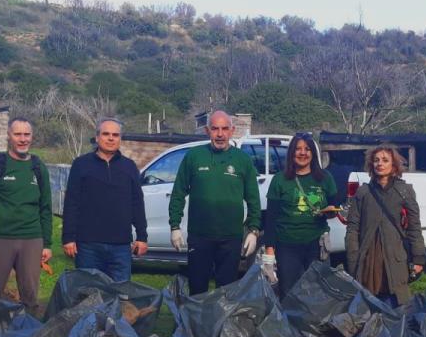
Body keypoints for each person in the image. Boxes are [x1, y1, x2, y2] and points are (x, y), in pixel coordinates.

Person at [168, 110, 261, 294]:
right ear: (207, 131)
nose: (220, 134)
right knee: (197, 289)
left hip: (230, 238)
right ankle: (196, 323)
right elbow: (178, 192)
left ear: (232, 130)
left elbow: (253, 199)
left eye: (225, 129)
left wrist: (253, 230)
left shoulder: (242, 160)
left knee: (226, 291)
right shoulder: (194, 156)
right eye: (215, 129)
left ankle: (221, 324)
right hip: (199, 237)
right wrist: (175, 226)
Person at [0, 117, 52, 318]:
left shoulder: (38, 167)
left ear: (32, 137)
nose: (22, 139)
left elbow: (46, 207)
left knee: (30, 296)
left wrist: (47, 244)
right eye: (17, 134)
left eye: (26, 134)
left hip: (31, 238)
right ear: (9, 136)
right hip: (0, 238)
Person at [61, 116, 148, 281]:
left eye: (115, 135)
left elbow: (137, 203)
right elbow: (72, 202)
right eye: (106, 134)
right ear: (97, 137)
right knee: (88, 295)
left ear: (120, 139)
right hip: (88, 245)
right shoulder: (81, 164)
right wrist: (68, 238)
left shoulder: (129, 167)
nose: (110, 138)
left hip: (121, 246)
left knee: (120, 294)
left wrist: (142, 237)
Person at [344, 144, 425, 305]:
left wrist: (418, 258)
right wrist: (353, 258)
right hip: (368, 260)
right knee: (368, 309)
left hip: (395, 258)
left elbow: (414, 227)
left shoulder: (404, 191)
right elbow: (352, 228)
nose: (380, 163)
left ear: (393, 165)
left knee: (395, 309)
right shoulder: (363, 192)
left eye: (385, 160)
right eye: (376, 160)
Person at [261, 134, 339, 296]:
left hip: (316, 245)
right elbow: (271, 218)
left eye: (307, 149)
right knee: (289, 293)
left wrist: (330, 212)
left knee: (318, 292)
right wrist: (269, 250)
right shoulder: (279, 180)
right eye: (298, 149)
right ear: (291, 153)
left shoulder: (325, 178)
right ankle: (288, 321)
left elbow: (334, 207)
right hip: (287, 245)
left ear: (313, 153)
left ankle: (314, 322)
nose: (302, 153)